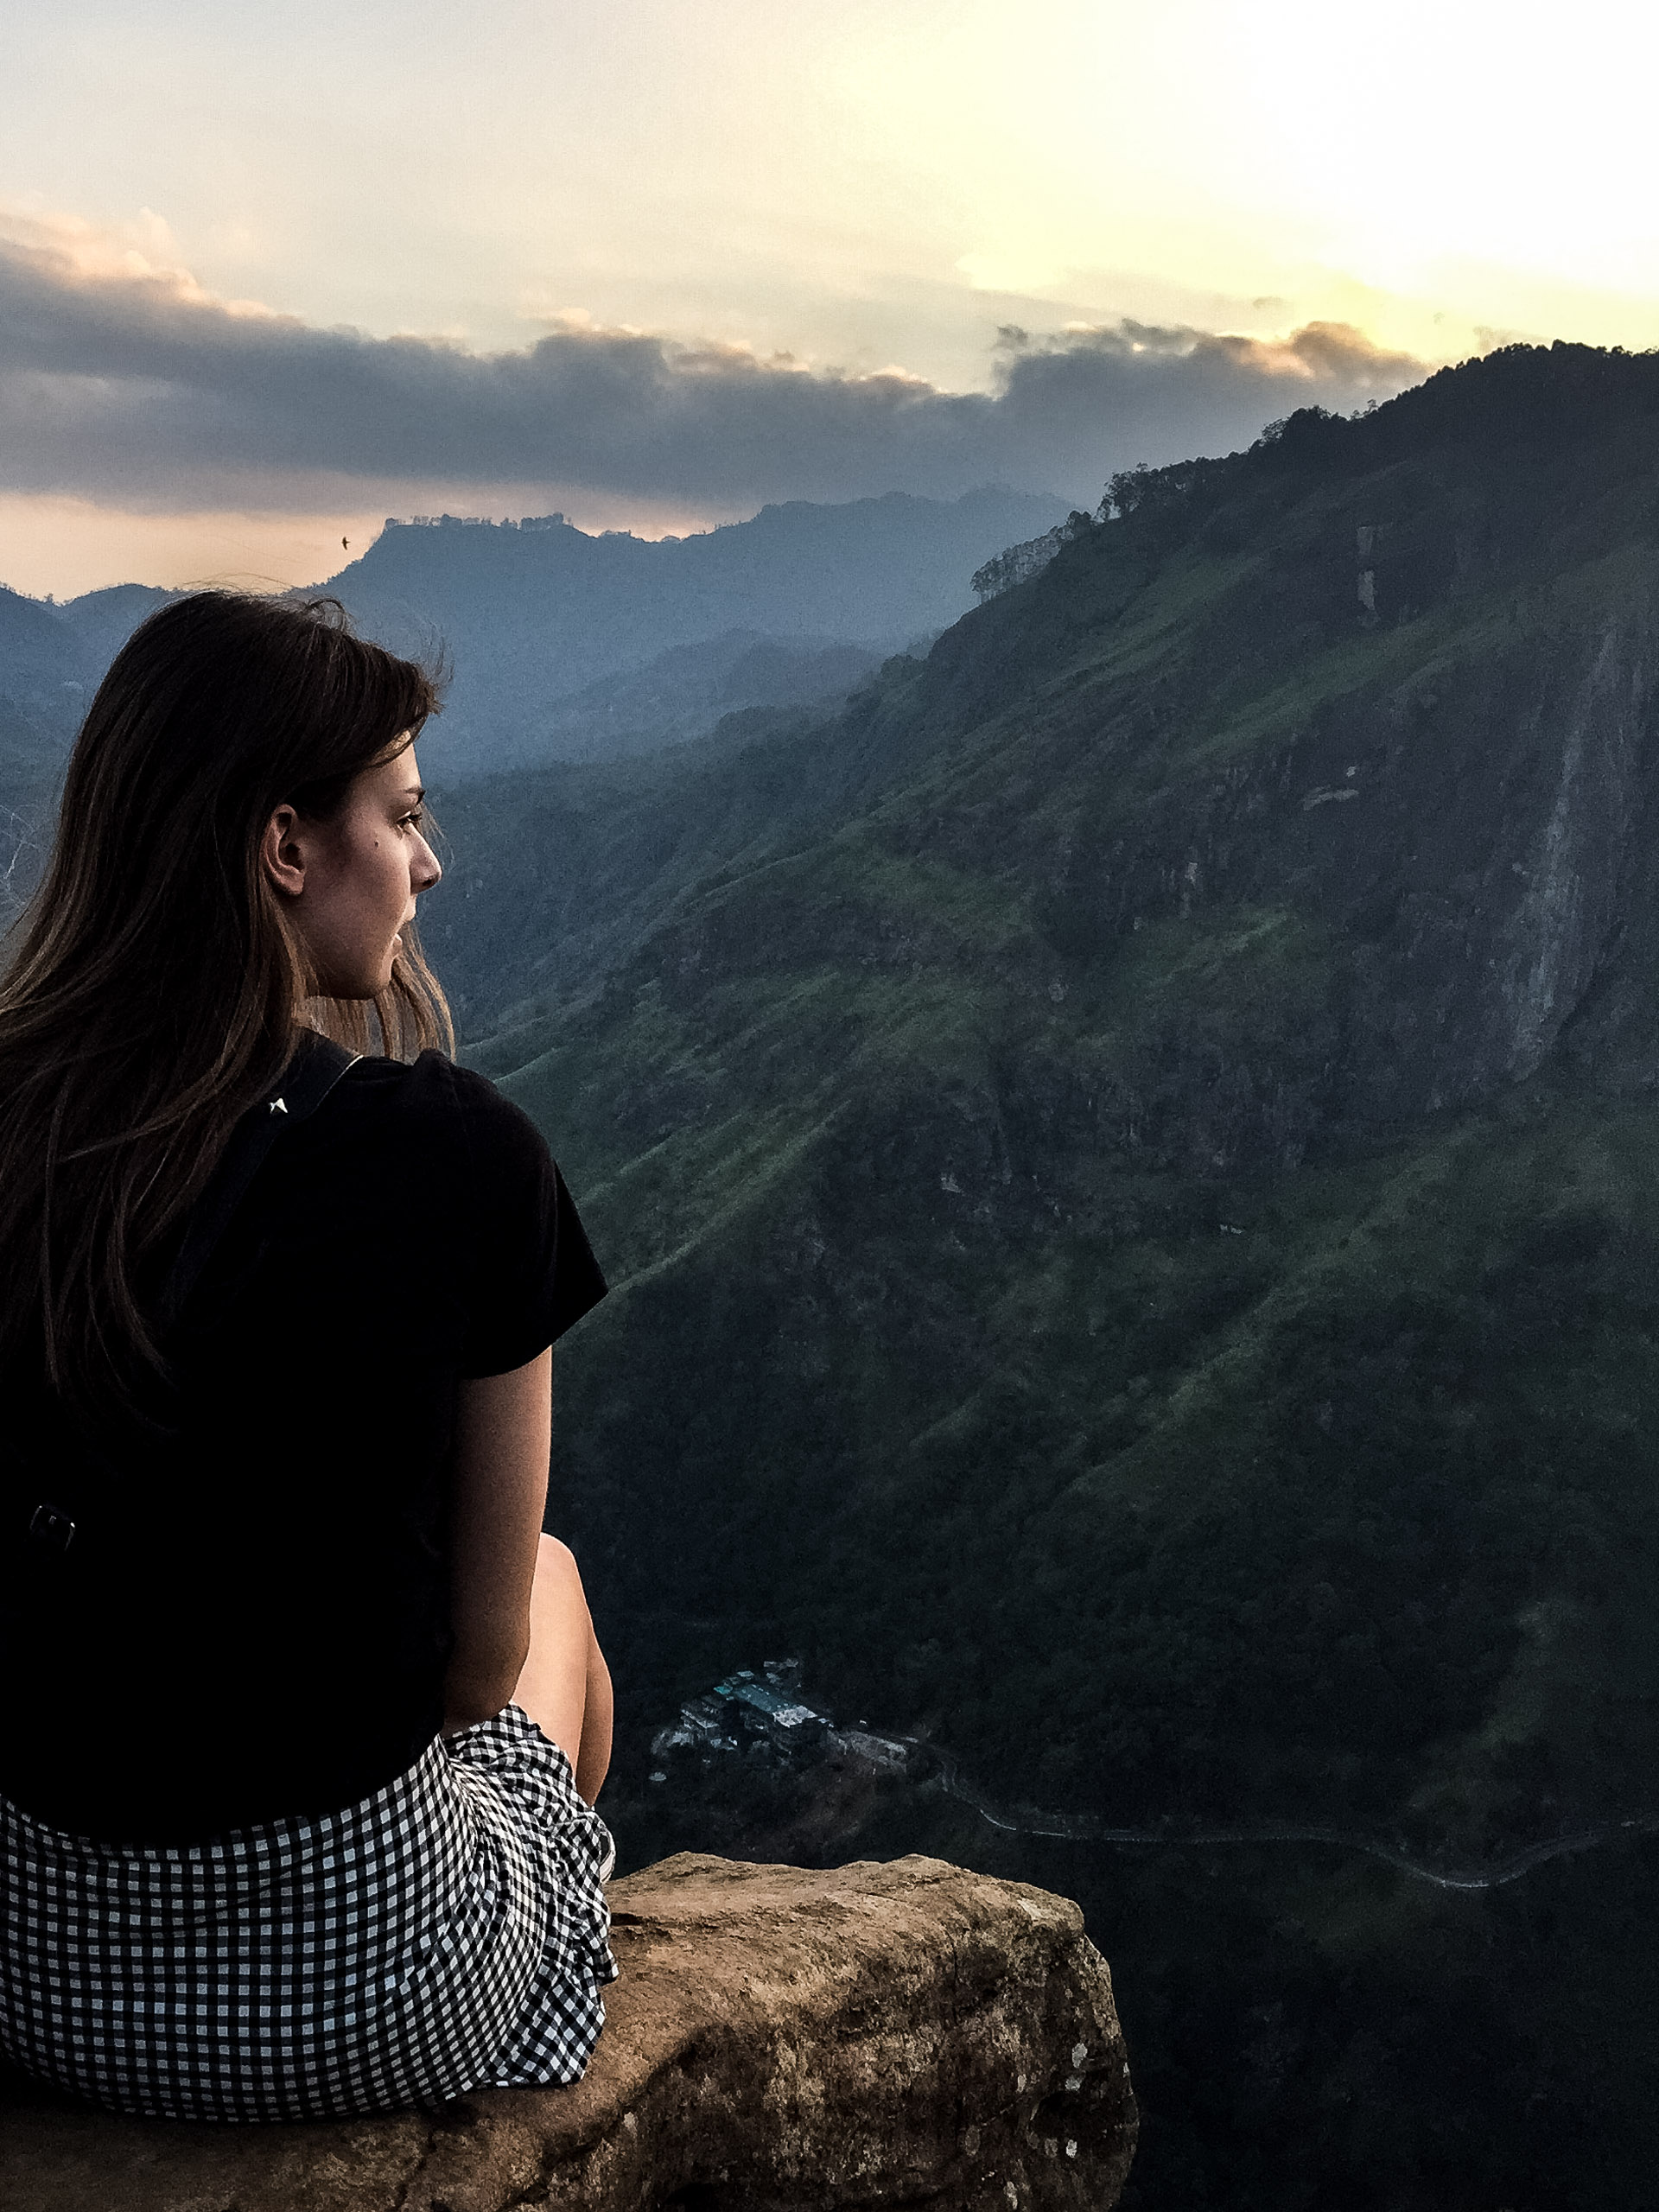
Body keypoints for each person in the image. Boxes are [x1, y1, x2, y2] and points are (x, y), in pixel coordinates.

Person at [0, 591, 617, 2123]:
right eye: (401, 816)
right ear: (285, 847)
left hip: (27, 1964)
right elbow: (476, 1670)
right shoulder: (455, 1157)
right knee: (546, 1583)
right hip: (358, 1994)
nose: (427, 863)